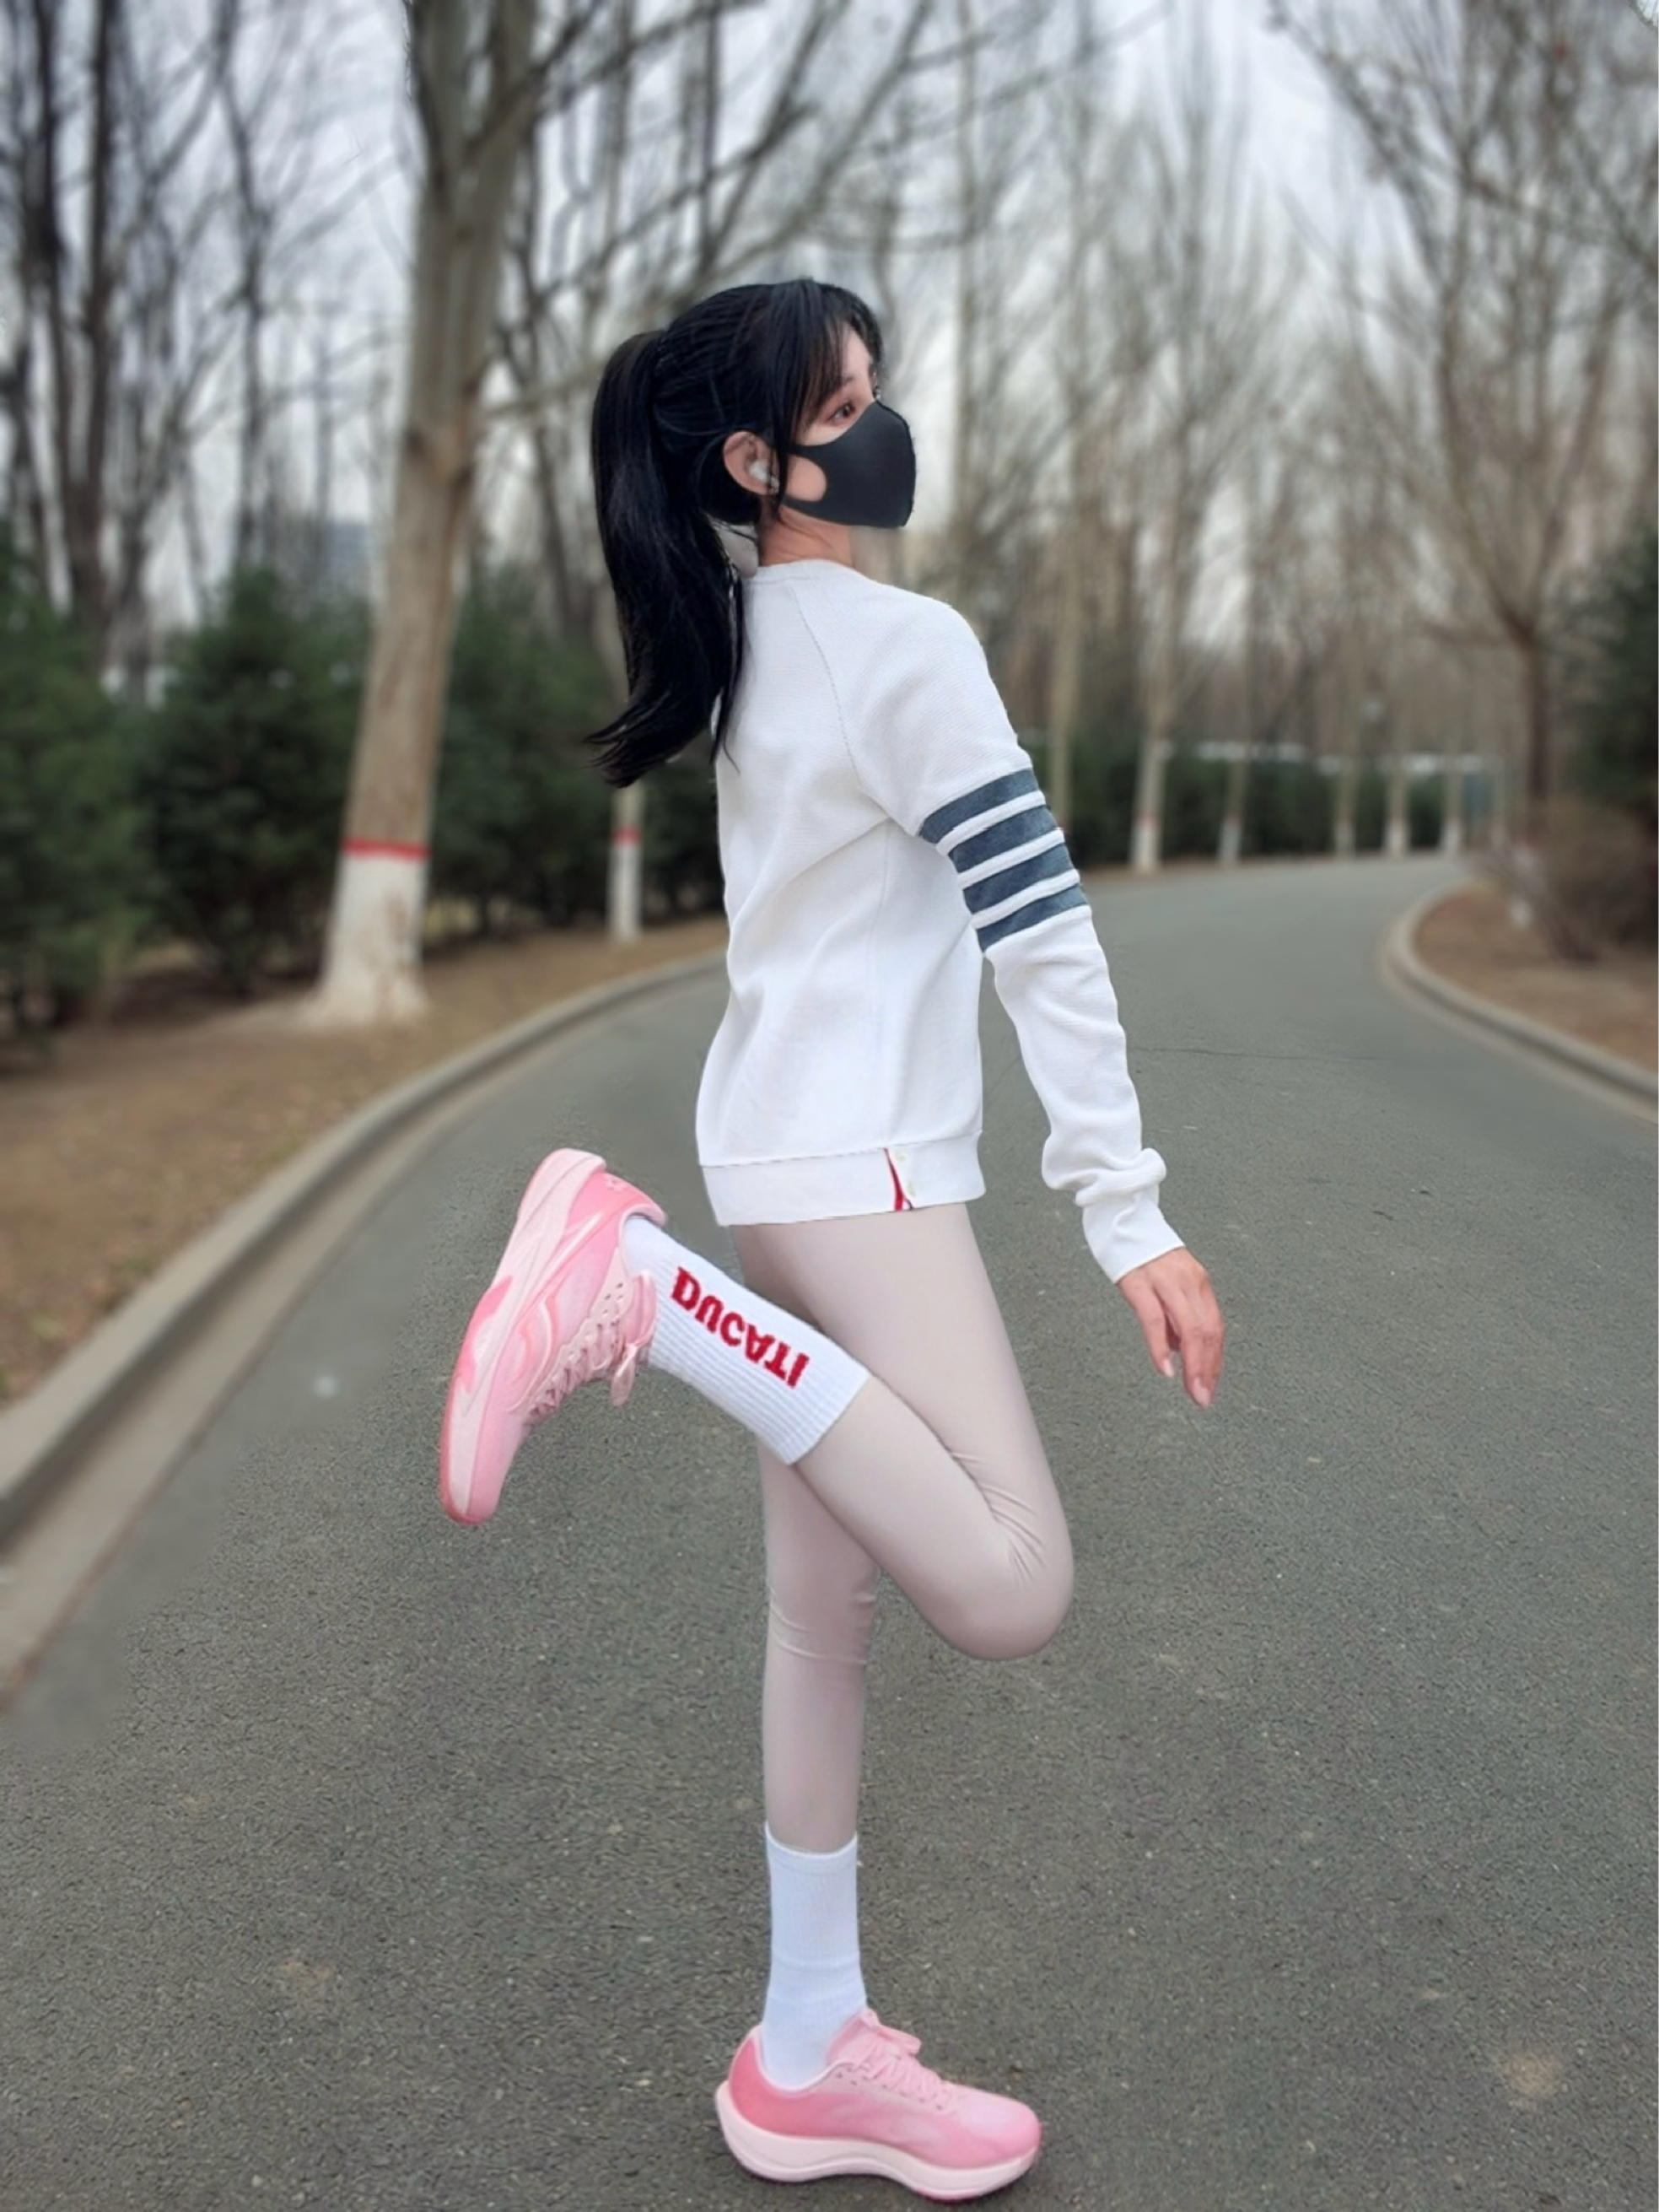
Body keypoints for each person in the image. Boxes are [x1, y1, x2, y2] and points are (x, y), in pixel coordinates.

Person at [438, 277, 1225, 2202]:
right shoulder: (902, 646)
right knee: (1013, 1582)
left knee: (823, 1622)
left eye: (876, 390)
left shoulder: (750, 651)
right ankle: (640, 1289)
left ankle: (805, 2049)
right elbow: (1041, 930)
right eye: (846, 402)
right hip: (860, 1176)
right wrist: (1128, 1212)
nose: (883, 428)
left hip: (776, 1164)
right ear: (756, 458)